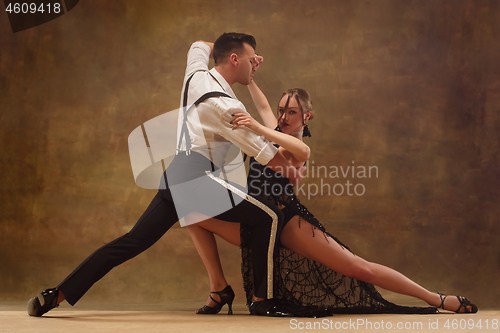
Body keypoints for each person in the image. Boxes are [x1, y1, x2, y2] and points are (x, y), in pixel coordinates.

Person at [27, 33, 303, 317]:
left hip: (174, 176)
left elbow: (199, 45)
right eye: (251, 59)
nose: (256, 65)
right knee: (270, 216)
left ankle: (55, 294)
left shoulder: (196, 74)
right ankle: (261, 301)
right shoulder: (227, 106)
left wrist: (231, 50)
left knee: (131, 241)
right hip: (197, 179)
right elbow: (268, 156)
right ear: (234, 59)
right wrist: (293, 171)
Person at [185, 79, 479, 316]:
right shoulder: (273, 130)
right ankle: (219, 289)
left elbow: (291, 147)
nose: (284, 117)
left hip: (287, 221)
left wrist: (257, 128)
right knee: (189, 212)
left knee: (358, 268)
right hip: (256, 219)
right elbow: (262, 107)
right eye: (282, 110)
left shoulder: (295, 145)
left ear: (307, 116)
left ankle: (435, 298)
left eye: (292, 112)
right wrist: (250, 81)